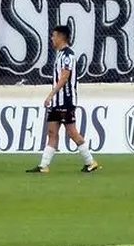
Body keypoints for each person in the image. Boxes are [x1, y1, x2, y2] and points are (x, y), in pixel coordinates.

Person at [26, 25, 100, 173]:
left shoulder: (68, 56)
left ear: (61, 37)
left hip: (66, 101)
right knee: (52, 132)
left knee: (72, 132)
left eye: (54, 36)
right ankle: (43, 166)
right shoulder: (59, 55)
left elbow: (64, 78)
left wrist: (51, 94)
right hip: (56, 102)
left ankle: (91, 162)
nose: (52, 39)